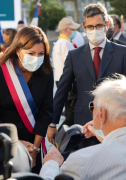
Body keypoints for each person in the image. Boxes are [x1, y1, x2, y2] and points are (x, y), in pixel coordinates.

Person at [47, 3, 126, 148]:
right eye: (90, 26)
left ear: (107, 24)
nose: (94, 30)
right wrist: (53, 123)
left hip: (114, 123)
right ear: (84, 27)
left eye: (99, 26)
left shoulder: (122, 53)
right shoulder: (74, 56)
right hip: (83, 123)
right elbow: (62, 90)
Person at [0, 26, 53, 174]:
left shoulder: (45, 72)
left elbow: (46, 111)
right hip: (4, 139)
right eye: (31, 53)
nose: (36, 58)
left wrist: (35, 149)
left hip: (34, 142)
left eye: (41, 54)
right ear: (18, 50)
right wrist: (16, 142)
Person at [40, 74, 126, 180]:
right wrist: (106, 137)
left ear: (101, 114)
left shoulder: (82, 161)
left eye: (92, 106)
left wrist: (51, 163)